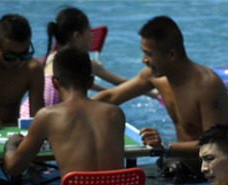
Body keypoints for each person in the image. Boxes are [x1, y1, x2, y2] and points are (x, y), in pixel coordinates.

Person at [92, 16, 228, 183]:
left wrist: (165, 146)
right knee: (123, 179)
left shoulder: (206, 86)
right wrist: (72, 110)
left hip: (208, 171)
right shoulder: (155, 76)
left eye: (149, 54)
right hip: (176, 161)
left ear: (171, 54)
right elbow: (110, 97)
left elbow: (215, 147)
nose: (144, 60)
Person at [3, 47, 126, 178]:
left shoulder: (46, 116)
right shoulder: (116, 113)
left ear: (55, 83)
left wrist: (10, 145)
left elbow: (14, 168)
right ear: (91, 82)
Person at [18, 7, 147, 118]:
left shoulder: (51, 57)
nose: (92, 35)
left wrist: (105, 89)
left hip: (25, 115)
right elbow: (120, 81)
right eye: (89, 31)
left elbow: (74, 83)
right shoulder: (83, 61)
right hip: (46, 119)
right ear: (77, 36)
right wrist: (151, 91)